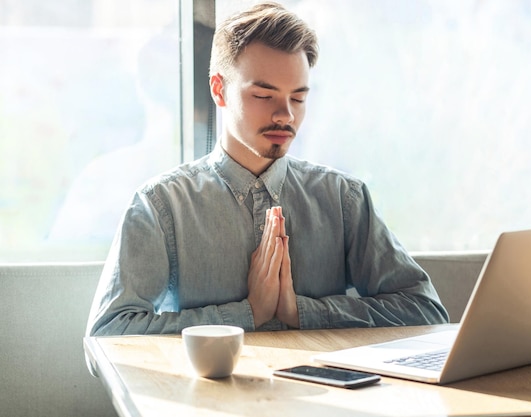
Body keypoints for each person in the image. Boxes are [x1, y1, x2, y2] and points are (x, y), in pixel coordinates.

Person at [86, 2, 449, 336]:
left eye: (298, 97)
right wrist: (247, 314)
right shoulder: (160, 206)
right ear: (219, 90)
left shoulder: (344, 199)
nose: (285, 115)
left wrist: (301, 312)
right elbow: (109, 332)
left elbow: (426, 310)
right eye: (264, 96)